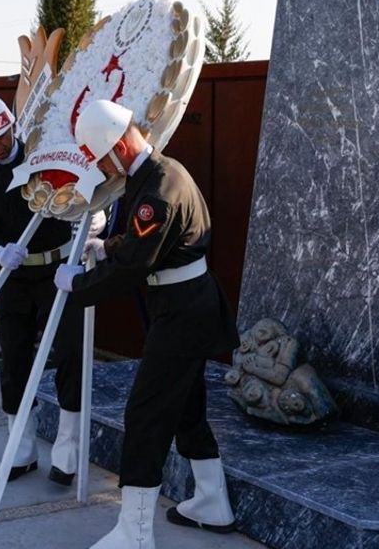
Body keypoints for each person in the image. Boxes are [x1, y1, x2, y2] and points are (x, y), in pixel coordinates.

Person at [54, 99, 239, 548]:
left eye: (102, 159)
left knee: (146, 413)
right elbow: (142, 244)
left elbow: (137, 265)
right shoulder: (155, 173)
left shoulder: (158, 187)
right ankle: (213, 501)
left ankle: (134, 533)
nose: (103, 169)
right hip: (186, 305)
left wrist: (79, 283)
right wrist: (108, 246)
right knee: (186, 405)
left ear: (120, 144)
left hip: (182, 311)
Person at [0, 94, 98, 485]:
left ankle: (68, 454)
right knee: (15, 362)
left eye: (1, 136)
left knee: (71, 356)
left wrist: (95, 215)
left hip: (59, 271)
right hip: (14, 278)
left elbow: (82, 190)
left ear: (11, 126)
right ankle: (21, 450)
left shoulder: (45, 157)